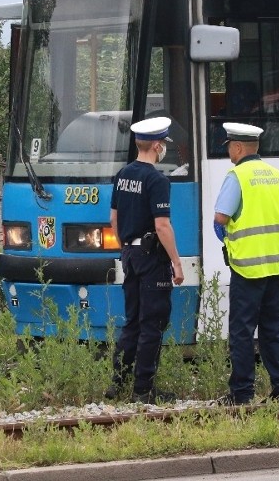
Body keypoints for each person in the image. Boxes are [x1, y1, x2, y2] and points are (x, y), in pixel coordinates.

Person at [213, 122, 279, 405]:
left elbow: (221, 218)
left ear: (237, 147)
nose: (229, 153)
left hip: (247, 269)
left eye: (229, 148)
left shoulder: (237, 176)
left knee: (242, 333)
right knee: (273, 331)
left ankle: (242, 393)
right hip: (276, 268)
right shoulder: (278, 176)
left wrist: (225, 238)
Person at [105, 116, 184, 405]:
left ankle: (118, 382)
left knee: (133, 321)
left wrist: (125, 247)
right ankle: (143, 389)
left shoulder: (122, 175)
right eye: (163, 144)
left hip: (129, 254)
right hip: (152, 259)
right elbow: (162, 226)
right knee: (153, 323)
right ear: (157, 145)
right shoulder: (156, 179)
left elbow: (113, 218)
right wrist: (176, 262)